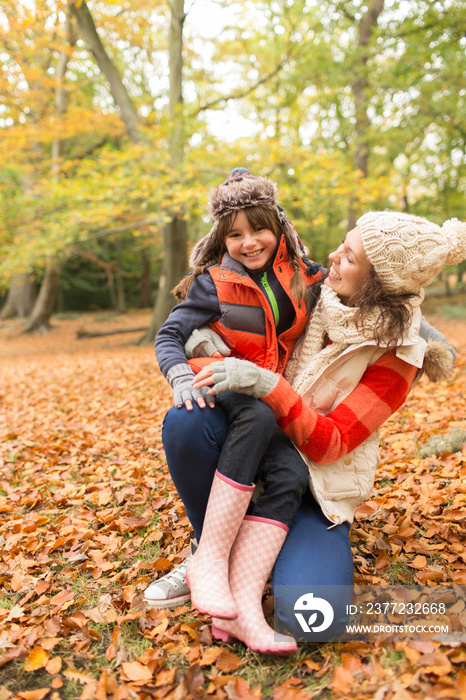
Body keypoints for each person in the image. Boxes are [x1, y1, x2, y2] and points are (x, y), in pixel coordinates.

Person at [145, 206, 464, 654]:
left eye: (349, 256)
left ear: (378, 283)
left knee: (316, 617)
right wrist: (201, 357)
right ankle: (208, 553)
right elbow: (223, 309)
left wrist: (270, 387)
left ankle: (265, 551)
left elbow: (332, 443)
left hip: (316, 481)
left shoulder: (397, 360)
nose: (333, 256)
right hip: (256, 447)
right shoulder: (314, 293)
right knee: (187, 419)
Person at [146, 168, 324, 641]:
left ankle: (243, 610)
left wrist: (419, 330)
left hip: (268, 395)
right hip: (224, 386)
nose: (249, 242)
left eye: (258, 229)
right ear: (221, 238)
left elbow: (360, 297)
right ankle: (209, 557)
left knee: (291, 473)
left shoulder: (304, 276)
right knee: (258, 411)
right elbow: (169, 334)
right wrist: (181, 372)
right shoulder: (213, 283)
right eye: (235, 234)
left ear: (279, 226)